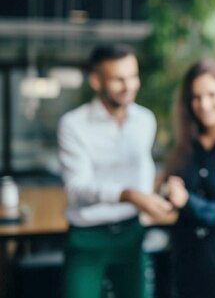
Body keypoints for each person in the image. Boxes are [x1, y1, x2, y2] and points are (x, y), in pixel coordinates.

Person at [58, 43, 173, 298]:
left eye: (133, 76)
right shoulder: (73, 125)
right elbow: (76, 189)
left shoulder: (145, 120)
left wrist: (152, 197)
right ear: (96, 81)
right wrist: (130, 195)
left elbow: (143, 167)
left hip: (132, 234)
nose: (129, 86)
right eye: (119, 79)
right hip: (87, 237)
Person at [163, 59, 215, 298]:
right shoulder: (186, 144)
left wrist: (187, 201)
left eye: (212, 94)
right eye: (196, 97)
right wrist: (167, 193)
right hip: (185, 263)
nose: (204, 104)